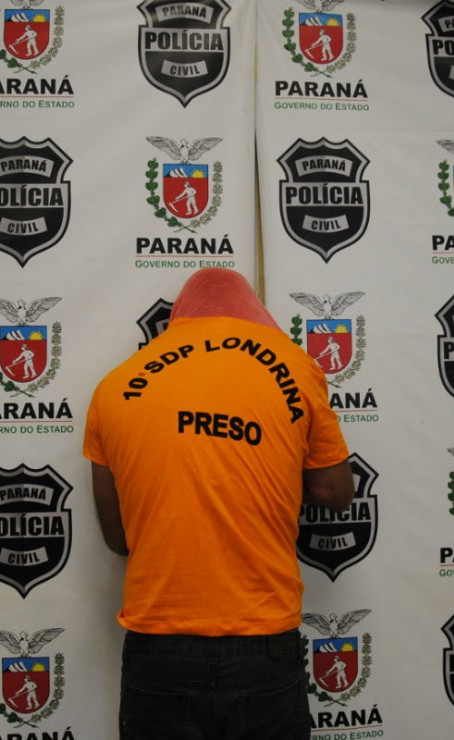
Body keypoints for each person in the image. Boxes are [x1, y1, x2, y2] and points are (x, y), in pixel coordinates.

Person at [83, 267, 354, 740]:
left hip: (158, 644)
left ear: (181, 316)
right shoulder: (295, 366)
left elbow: (117, 537)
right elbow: (336, 492)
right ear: (253, 313)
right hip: (262, 640)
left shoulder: (115, 385)